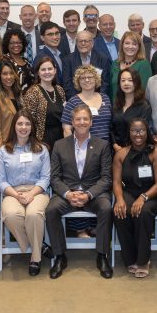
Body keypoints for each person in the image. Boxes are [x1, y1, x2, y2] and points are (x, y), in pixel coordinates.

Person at [46, 104, 114, 280]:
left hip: (94, 194)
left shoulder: (103, 145)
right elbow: (54, 178)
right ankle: (60, 256)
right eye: (78, 119)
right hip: (68, 193)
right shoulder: (60, 145)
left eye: (85, 119)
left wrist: (88, 194)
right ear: (72, 122)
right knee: (51, 210)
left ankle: (102, 256)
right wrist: (68, 194)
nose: (82, 122)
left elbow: (106, 178)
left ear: (91, 122)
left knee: (106, 208)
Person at [0, 109, 52, 275]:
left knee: (34, 214)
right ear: (14, 126)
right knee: (11, 215)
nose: (23, 127)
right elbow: (0, 180)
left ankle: (35, 258)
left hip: (37, 192)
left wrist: (31, 194)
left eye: (27, 123)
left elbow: (45, 178)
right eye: (20, 123)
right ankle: (39, 245)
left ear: (32, 127)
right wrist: (16, 194)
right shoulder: (4, 151)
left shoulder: (42, 149)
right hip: (12, 192)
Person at [112, 118, 157, 278]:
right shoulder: (121, 154)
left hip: (152, 194)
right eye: (134, 130)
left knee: (142, 213)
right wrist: (120, 199)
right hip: (129, 191)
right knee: (120, 212)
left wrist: (143, 197)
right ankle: (130, 258)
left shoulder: (156, 153)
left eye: (141, 130)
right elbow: (116, 182)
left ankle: (143, 260)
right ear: (129, 133)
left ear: (147, 132)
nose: (138, 134)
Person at [21, 57, 66, 151]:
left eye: (50, 69)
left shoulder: (60, 90)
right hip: (42, 141)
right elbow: (28, 120)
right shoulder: (33, 92)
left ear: (55, 71)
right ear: (38, 72)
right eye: (43, 69)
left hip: (61, 139)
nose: (47, 72)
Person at [62, 65, 112, 142]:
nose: (87, 80)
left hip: (106, 147)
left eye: (90, 77)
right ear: (78, 81)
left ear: (96, 79)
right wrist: (71, 149)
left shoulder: (105, 98)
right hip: (83, 147)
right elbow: (67, 129)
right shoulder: (72, 102)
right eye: (82, 78)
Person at [111, 68, 153, 152]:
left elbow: (142, 132)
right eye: (123, 80)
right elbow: (111, 128)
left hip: (136, 151)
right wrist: (115, 145)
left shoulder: (144, 105)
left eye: (130, 80)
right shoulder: (116, 103)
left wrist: (127, 150)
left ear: (136, 82)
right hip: (116, 150)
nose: (126, 83)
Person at [63, 30, 112, 99]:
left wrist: (97, 99)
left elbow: (105, 84)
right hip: (76, 102)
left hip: (97, 100)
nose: (83, 43)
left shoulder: (103, 59)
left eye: (86, 41)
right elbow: (67, 85)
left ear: (92, 43)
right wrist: (78, 100)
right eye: (80, 41)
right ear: (76, 43)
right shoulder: (68, 60)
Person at [0, 62, 22, 153]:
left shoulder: (18, 95)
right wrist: (0, 154)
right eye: (5, 74)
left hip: (21, 146)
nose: (9, 77)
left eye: (11, 73)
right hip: (6, 149)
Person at [109, 31, 152, 100]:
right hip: (115, 107)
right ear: (122, 45)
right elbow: (111, 90)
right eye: (127, 43)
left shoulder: (143, 64)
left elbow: (143, 90)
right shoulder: (115, 64)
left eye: (134, 44)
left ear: (139, 47)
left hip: (135, 108)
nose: (130, 47)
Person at [33, 21, 65, 86]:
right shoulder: (41, 57)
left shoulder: (60, 54)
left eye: (57, 33)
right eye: (50, 34)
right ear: (42, 38)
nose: (55, 37)